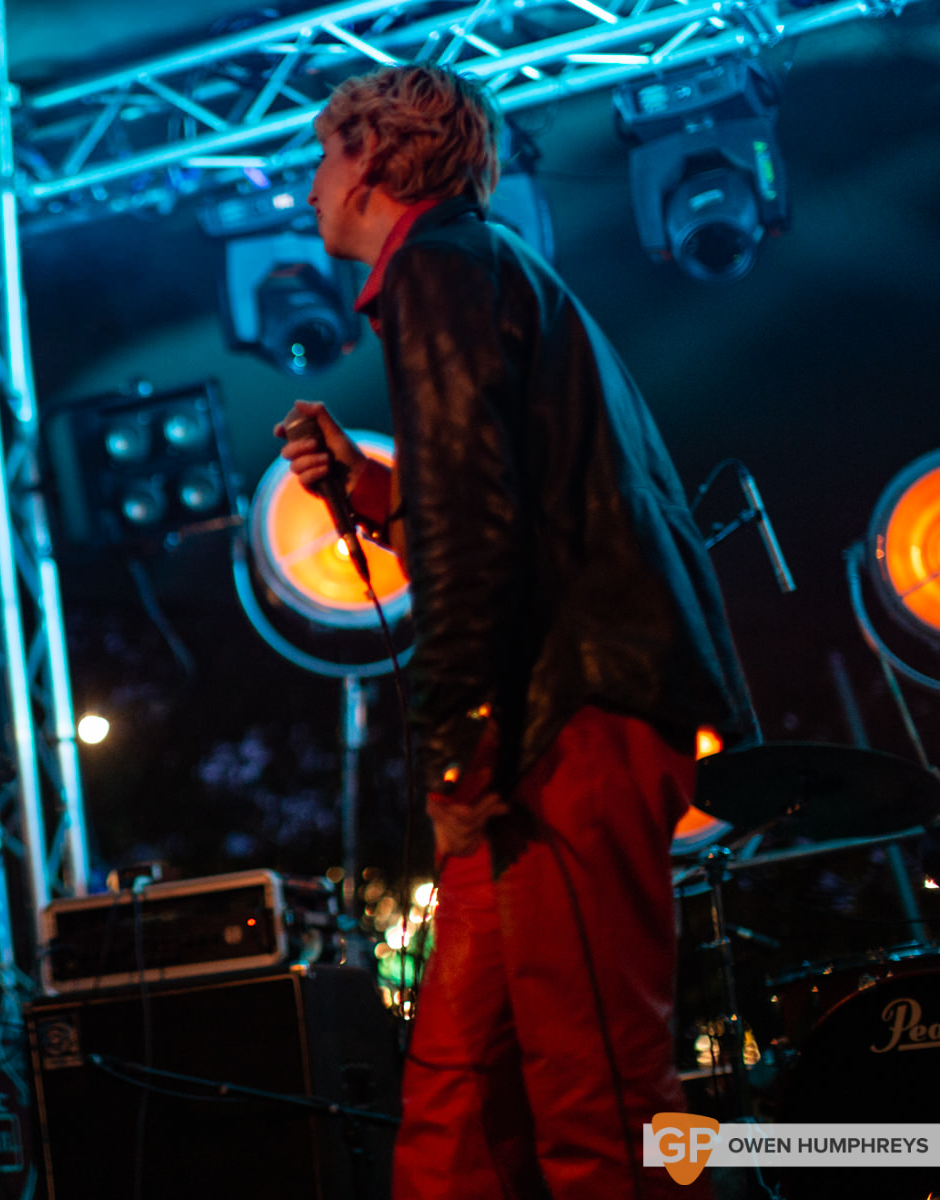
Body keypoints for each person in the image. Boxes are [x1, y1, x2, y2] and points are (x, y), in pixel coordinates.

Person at [277, 66, 755, 1199]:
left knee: (601, 1103)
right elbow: (505, 509)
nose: (306, 188)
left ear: (378, 164)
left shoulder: (439, 269)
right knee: (453, 1098)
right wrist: (375, 490)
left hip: (564, 731)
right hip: (554, 721)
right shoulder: (487, 272)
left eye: (322, 157)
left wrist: (456, 751)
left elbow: (478, 536)